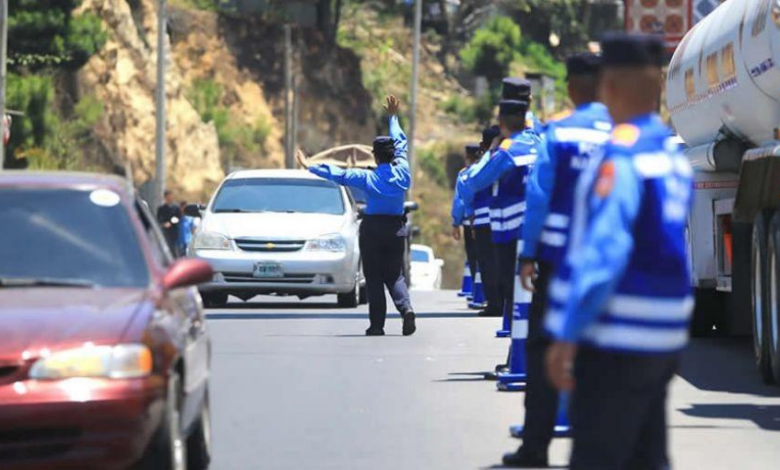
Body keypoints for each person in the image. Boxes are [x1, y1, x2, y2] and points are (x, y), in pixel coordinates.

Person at [545, 33, 693, 470]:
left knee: (597, 457)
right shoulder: (670, 155)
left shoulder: (621, 159)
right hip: (664, 338)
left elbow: (605, 253)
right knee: (647, 457)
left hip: (615, 338)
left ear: (607, 87)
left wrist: (568, 333)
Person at [502, 52, 612, 468]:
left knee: (544, 353)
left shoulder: (559, 134)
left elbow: (538, 197)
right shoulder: (627, 136)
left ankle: (535, 448)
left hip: (559, 265)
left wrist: (528, 254)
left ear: (570, 86)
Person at [308, 95, 416, 337]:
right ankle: (406, 308)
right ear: (393, 156)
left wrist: (310, 166)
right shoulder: (403, 174)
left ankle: (377, 325)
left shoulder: (366, 177)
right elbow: (401, 142)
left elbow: (339, 175)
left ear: (375, 157)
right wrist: (393, 118)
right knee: (395, 274)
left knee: (374, 277)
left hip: (373, 229)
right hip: (396, 229)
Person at [459, 99, 541, 334]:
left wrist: (491, 151)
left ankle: (518, 356)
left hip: (509, 232)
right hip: (538, 229)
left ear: (502, 123)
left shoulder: (507, 151)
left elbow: (474, 182)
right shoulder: (542, 143)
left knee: (512, 290)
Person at [457, 126, 503, 317]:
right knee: (503, 263)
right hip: (506, 219)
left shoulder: (477, 169)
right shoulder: (508, 160)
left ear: (482, 145)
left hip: (483, 221)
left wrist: (469, 213)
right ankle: (506, 303)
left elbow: (466, 186)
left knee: (487, 264)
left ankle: (494, 304)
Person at [451, 144, 481, 293]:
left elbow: (459, 201)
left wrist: (456, 222)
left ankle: (477, 292)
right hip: (489, 220)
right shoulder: (486, 170)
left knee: (473, 256)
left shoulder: (464, 174)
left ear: (467, 157)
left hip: (469, 222)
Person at [157, 189, 181, 255]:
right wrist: (163, 224)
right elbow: (158, 219)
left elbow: (178, 218)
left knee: (174, 248)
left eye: (170, 196)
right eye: (168, 197)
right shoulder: (161, 209)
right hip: (164, 231)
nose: (169, 198)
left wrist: (171, 222)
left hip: (174, 231)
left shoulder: (176, 208)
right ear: (165, 197)